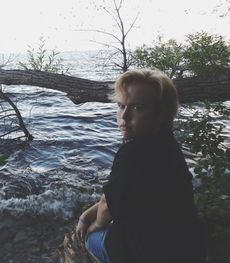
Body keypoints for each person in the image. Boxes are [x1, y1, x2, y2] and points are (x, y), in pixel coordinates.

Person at [76, 68, 206, 263]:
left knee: (90, 240)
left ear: (160, 114)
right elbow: (114, 195)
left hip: (152, 255)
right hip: (189, 248)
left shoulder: (133, 153)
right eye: (121, 106)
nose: (124, 116)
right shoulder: (167, 143)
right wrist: (86, 215)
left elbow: (106, 207)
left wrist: (93, 226)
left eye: (137, 108)